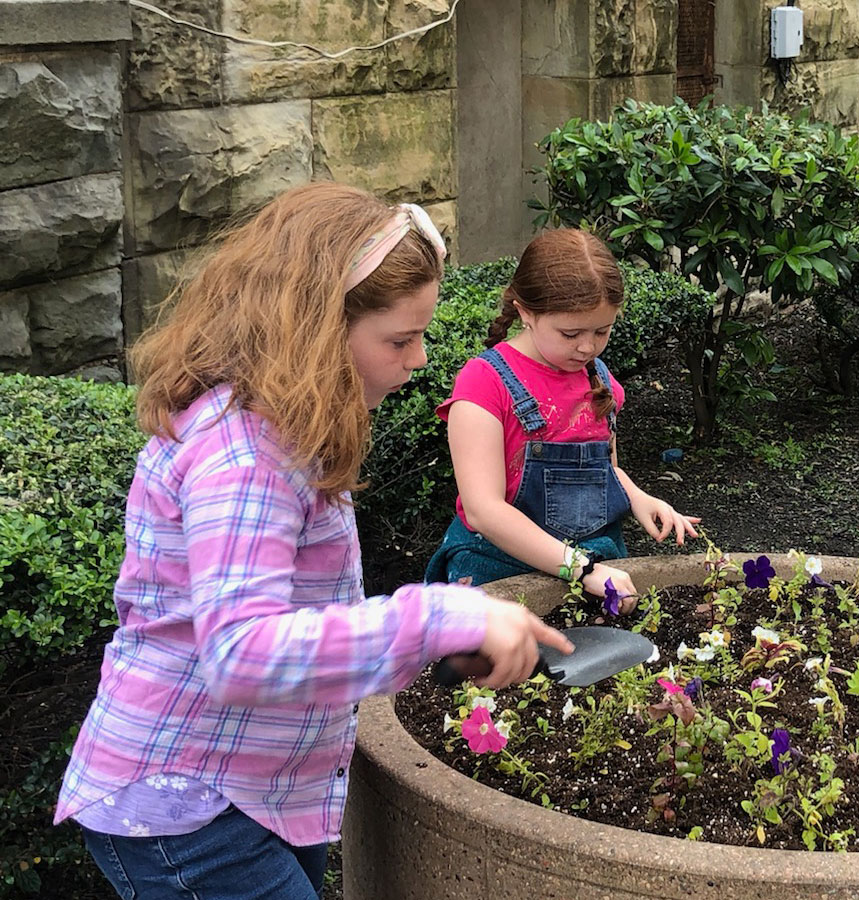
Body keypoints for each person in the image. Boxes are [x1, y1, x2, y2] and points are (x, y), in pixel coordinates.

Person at [53, 183, 570, 899]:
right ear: (316, 329)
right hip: (188, 814)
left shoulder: (284, 434)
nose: (420, 359)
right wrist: (433, 618)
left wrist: (433, 643)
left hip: (248, 794)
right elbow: (243, 651)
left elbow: (297, 622)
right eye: (400, 338)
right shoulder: (245, 458)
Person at [425, 229, 698, 601]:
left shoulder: (600, 379)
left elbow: (604, 469)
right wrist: (580, 569)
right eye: (570, 333)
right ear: (526, 312)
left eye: (602, 331)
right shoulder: (484, 383)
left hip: (596, 560)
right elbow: (483, 511)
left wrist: (638, 498)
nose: (588, 346)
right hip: (498, 567)